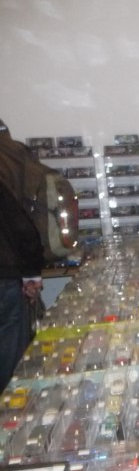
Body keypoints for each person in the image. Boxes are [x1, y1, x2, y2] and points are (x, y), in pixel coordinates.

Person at [0, 119, 45, 393]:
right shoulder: (15, 155)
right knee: (10, 354)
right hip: (6, 274)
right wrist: (31, 271)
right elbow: (21, 223)